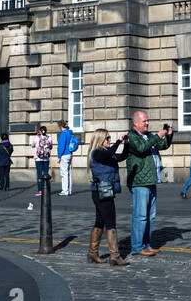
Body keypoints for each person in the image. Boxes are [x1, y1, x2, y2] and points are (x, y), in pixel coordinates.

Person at [126, 111, 173, 256]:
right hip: (140, 181)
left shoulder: (149, 136)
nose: (147, 123)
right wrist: (157, 136)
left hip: (151, 180)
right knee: (140, 216)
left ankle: (146, 244)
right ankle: (137, 247)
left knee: (150, 215)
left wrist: (168, 134)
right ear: (136, 123)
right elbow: (141, 149)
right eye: (144, 121)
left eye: (147, 121)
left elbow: (163, 145)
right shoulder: (132, 137)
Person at [87, 129, 129, 265]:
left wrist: (126, 143)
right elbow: (110, 153)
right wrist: (118, 141)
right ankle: (115, 256)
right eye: (107, 138)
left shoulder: (107, 155)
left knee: (100, 222)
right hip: (102, 192)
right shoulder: (97, 153)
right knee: (111, 223)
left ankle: (92, 253)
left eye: (110, 138)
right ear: (100, 140)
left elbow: (122, 156)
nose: (109, 140)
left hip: (104, 192)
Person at [56, 120, 80, 196]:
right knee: (68, 172)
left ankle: (65, 190)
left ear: (60, 126)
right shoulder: (69, 133)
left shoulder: (63, 134)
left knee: (64, 173)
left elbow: (61, 146)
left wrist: (59, 156)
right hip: (69, 154)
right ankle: (69, 190)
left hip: (64, 155)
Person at [33, 126, 53, 197]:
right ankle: (46, 189)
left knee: (39, 174)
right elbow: (51, 147)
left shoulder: (36, 138)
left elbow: (32, 145)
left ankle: (40, 190)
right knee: (46, 174)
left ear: (40, 131)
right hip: (46, 159)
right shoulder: (49, 138)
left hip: (38, 159)